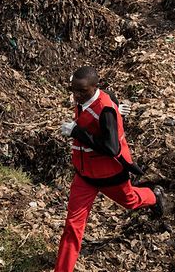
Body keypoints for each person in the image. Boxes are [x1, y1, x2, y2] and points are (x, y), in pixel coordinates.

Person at [54, 66, 165, 272]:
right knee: (72, 227)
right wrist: (117, 107)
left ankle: (154, 196)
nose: (76, 95)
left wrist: (77, 131)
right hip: (85, 176)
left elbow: (112, 148)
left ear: (94, 87)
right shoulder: (89, 98)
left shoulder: (105, 110)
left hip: (110, 174)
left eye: (81, 91)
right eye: (73, 90)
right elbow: (110, 101)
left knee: (130, 201)